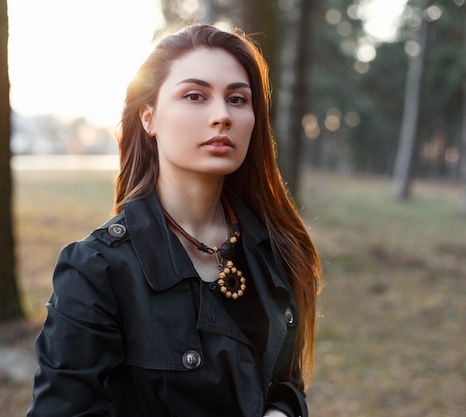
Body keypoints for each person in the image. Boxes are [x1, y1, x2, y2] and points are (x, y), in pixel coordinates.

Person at [26, 23, 322, 417]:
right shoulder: (97, 269)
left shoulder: (274, 247)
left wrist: (282, 411)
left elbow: (284, 382)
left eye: (237, 99)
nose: (222, 116)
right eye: (195, 96)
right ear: (149, 118)